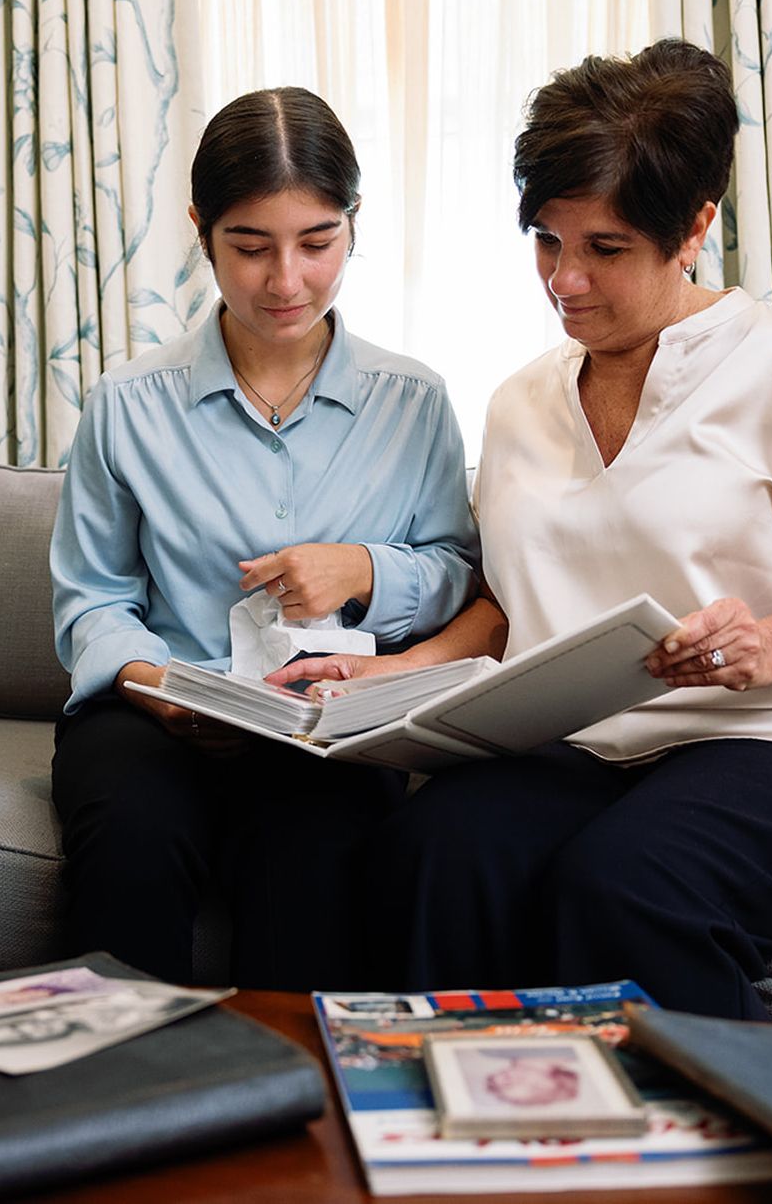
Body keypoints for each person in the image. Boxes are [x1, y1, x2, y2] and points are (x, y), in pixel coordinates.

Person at [271, 41, 772, 1020]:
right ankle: (456, 1135)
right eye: (548, 240)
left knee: (623, 885)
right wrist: (393, 672)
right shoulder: (521, 403)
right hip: (587, 748)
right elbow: (512, 604)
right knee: (428, 854)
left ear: (694, 228)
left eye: (606, 249)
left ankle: (720, 1151)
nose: (565, 280)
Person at [49, 87, 480, 991]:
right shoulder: (128, 404)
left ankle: (291, 1109)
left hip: (327, 728)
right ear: (202, 230)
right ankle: (120, 1104)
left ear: (353, 227)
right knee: (128, 844)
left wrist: (364, 570)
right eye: (250, 247)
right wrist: (150, 679)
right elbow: (92, 595)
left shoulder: (416, 403)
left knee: (313, 867)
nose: (286, 281)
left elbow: (457, 576)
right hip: (157, 715)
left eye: (317, 243)